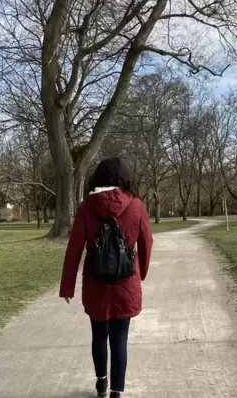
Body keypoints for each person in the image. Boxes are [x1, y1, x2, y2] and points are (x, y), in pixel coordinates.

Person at [59, 157, 154, 398]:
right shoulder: (136, 205)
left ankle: (101, 381)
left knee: (99, 335)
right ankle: (116, 391)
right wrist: (141, 271)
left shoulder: (86, 207)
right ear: (124, 179)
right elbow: (146, 242)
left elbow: (74, 249)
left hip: (95, 281)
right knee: (120, 339)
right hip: (125, 281)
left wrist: (67, 286)